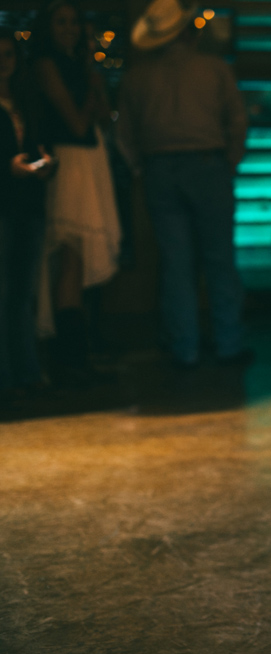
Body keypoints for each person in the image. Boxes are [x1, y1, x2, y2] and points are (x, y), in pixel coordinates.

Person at [116, 0, 250, 368]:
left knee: (176, 265)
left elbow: (123, 133)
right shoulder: (215, 69)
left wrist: (140, 169)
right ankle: (228, 343)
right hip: (209, 165)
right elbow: (237, 121)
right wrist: (231, 160)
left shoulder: (135, 77)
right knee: (220, 259)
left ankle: (184, 348)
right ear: (189, 30)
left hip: (159, 169)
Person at [32, 0, 121, 384]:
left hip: (88, 162)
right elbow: (77, 120)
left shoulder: (77, 65)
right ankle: (69, 357)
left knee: (78, 257)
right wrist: (93, 91)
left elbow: (104, 117)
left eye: (74, 21)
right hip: (69, 163)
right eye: (61, 21)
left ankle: (78, 352)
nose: (69, 28)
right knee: (69, 256)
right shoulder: (47, 65)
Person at [0, 27, 55, 399]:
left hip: (27, 206)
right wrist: (8, 169)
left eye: (8, 54)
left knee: (22, 294)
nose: (3, 62)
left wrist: (46, 163)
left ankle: (25, 370)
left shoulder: (23, 101)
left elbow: (37, 142)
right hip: (4, 205)